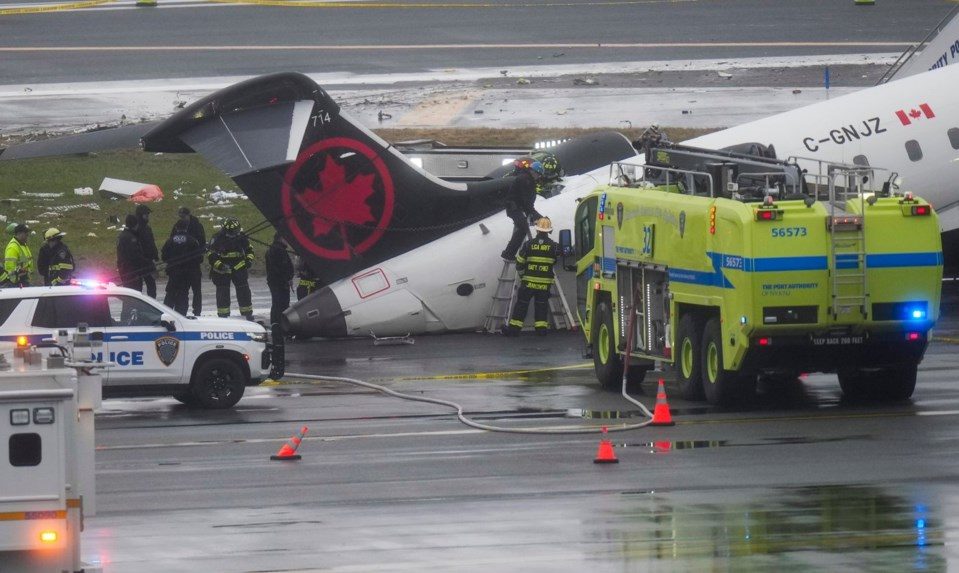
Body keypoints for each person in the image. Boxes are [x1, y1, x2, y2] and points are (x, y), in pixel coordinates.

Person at [502, 217, 560, 336]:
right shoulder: (554, 246)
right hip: (544, 284)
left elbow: (520, 263)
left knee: (521, 305)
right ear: (549, 231)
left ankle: (513, 331)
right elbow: (554, 261)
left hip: (528, 283)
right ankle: (541, 330)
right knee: (541, 306)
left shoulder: (528, 244)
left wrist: (523, 276)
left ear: (537, 230)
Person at [207, 217, 255, 319]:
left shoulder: (241, 237)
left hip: (239, 269)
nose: (237, 232)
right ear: (227, 230)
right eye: (235, 230)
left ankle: (247, 315)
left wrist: (248, 260)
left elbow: (250, 250)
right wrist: (220, 265)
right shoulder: (217, 238)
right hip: (222, 272)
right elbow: (211, 255)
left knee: (244, 293)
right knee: (222, 295)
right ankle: (223, 316)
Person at [500, 158, 545, 261]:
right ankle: (508, 254)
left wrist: (533, 213)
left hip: (518, 208)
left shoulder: (527, 179)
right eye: (538, 175)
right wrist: (535, 214)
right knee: (523, 227)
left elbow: (527, 202)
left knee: (523, 225)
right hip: (514, 209)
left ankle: (511, 251)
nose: (538, 177)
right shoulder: (525, 180)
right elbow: (526, 201)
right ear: (533, 171)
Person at [161, 219, 202, 315]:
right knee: (183, 294)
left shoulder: (170, 240)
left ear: (176, 228)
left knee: (170, 294)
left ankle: (166, 314)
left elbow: (164, 256)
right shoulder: (192, 240)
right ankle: (182, 314)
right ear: (186, 228)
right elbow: (199, 258)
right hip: (188, 273)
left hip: (174, 273)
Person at [175, 206, 206, 316]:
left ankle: (197, 311)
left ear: (188, 215)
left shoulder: (197, 226)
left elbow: (202, 243)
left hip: (194, 265)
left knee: (196, 290)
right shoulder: (177, 226)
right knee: (183, 290)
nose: (182, 219)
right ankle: (182, 311)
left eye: (183, 216)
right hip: (182, 266)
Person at [265, 233, 294, 328]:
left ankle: (276, 324)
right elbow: (282, 267)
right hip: (280, 282)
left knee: (277, 303)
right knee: (282, 304)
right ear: (281, 239)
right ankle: (281, 325)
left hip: (276, 281)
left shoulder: (273, 249)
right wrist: (288, 278)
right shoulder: (279, 251)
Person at [117, 215, 151, 292]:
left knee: (128, 292)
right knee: (135, 292)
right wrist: (147, 263)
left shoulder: (122, 235)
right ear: (135, 224)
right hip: (132, 271)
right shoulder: (131, 238)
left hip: (124, 269)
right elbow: (135, 256)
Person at [134, 204, 160, 298]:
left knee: (151, 285)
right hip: (141, 262)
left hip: (148, 261)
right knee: (139, 287)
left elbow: (151, 243)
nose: (148, 216)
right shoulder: (137, 229)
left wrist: (155, 255)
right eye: (146, 214)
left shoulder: (146, 228)